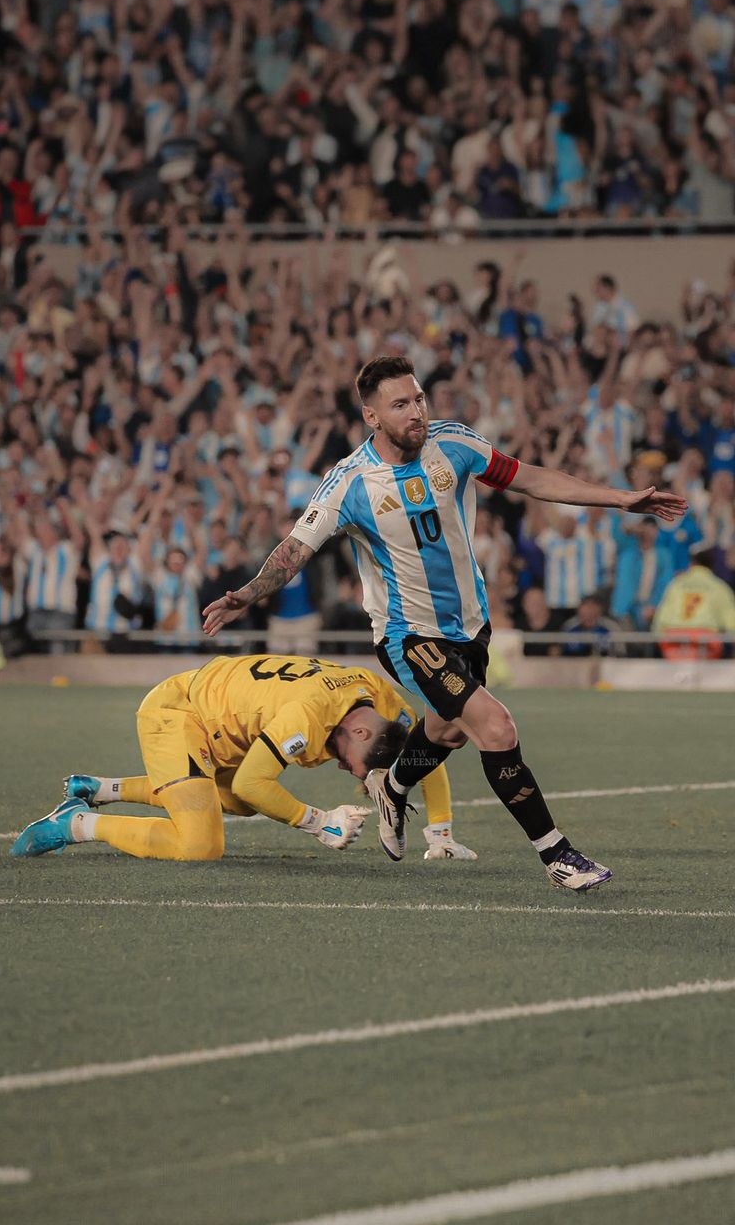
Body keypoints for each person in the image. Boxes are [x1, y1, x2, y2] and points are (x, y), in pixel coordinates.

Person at [203, 355, 687, 890]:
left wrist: (619, 499)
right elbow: (295, 550)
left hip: (469, 624)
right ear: (371, 416)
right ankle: (559, 856)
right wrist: (245, 596)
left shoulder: (454, 444)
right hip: (408, 635)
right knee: (495, 727)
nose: (417, 412)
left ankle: (391, 787)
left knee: (447, 730)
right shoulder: (349, 483)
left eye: (418, 399)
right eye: (401, 404)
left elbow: (530, 479)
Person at [11, 652, 476, 864]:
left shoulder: (379, 699)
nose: (345, 770)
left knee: (234, 802)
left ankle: (98, 789)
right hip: (181, 715)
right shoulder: (307, 718)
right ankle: (75, 824)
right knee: (200, 845)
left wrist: (441, 832)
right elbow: (256, 782)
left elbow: (426, 750)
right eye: (358, 765)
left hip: (219, 713)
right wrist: (319, 822)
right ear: (358, 730)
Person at [652, 549, 735, 659]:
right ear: (711, 566)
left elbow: (660, 617)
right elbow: (731, 623)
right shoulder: (719, 587)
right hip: (705, 643)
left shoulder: (676, 584)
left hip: (673, 641)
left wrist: (657, 639)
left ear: (692, 563)